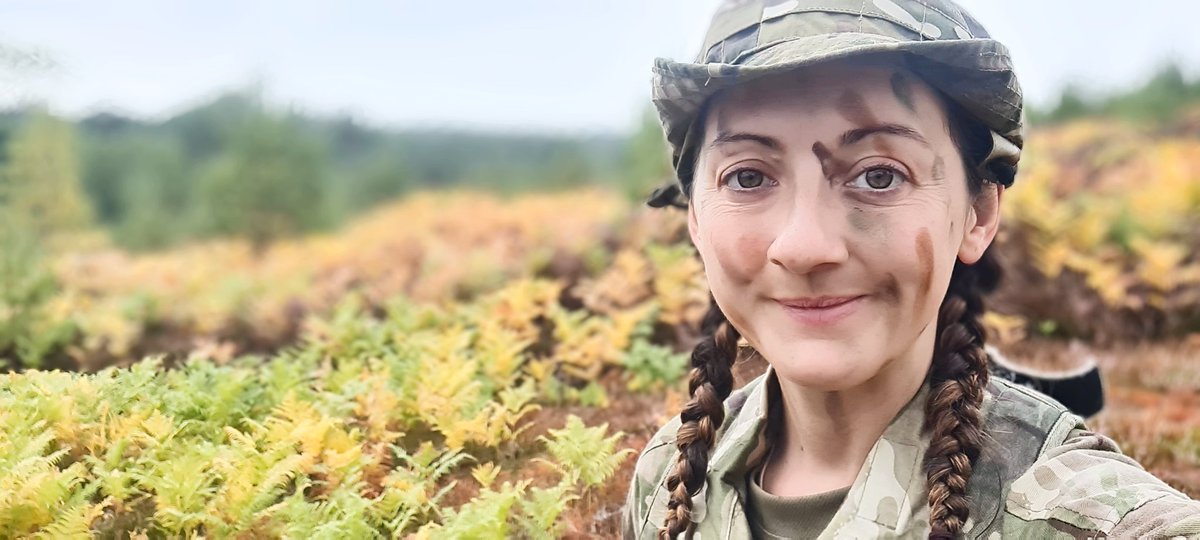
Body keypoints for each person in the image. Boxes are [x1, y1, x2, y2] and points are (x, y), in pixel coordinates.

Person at [622, 0, 1200, 538]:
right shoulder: (668, 480)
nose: (804, 247)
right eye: (748, 177)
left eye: (879, 176)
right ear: (695, 217)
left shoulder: (1078, 515)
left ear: (977, 212)